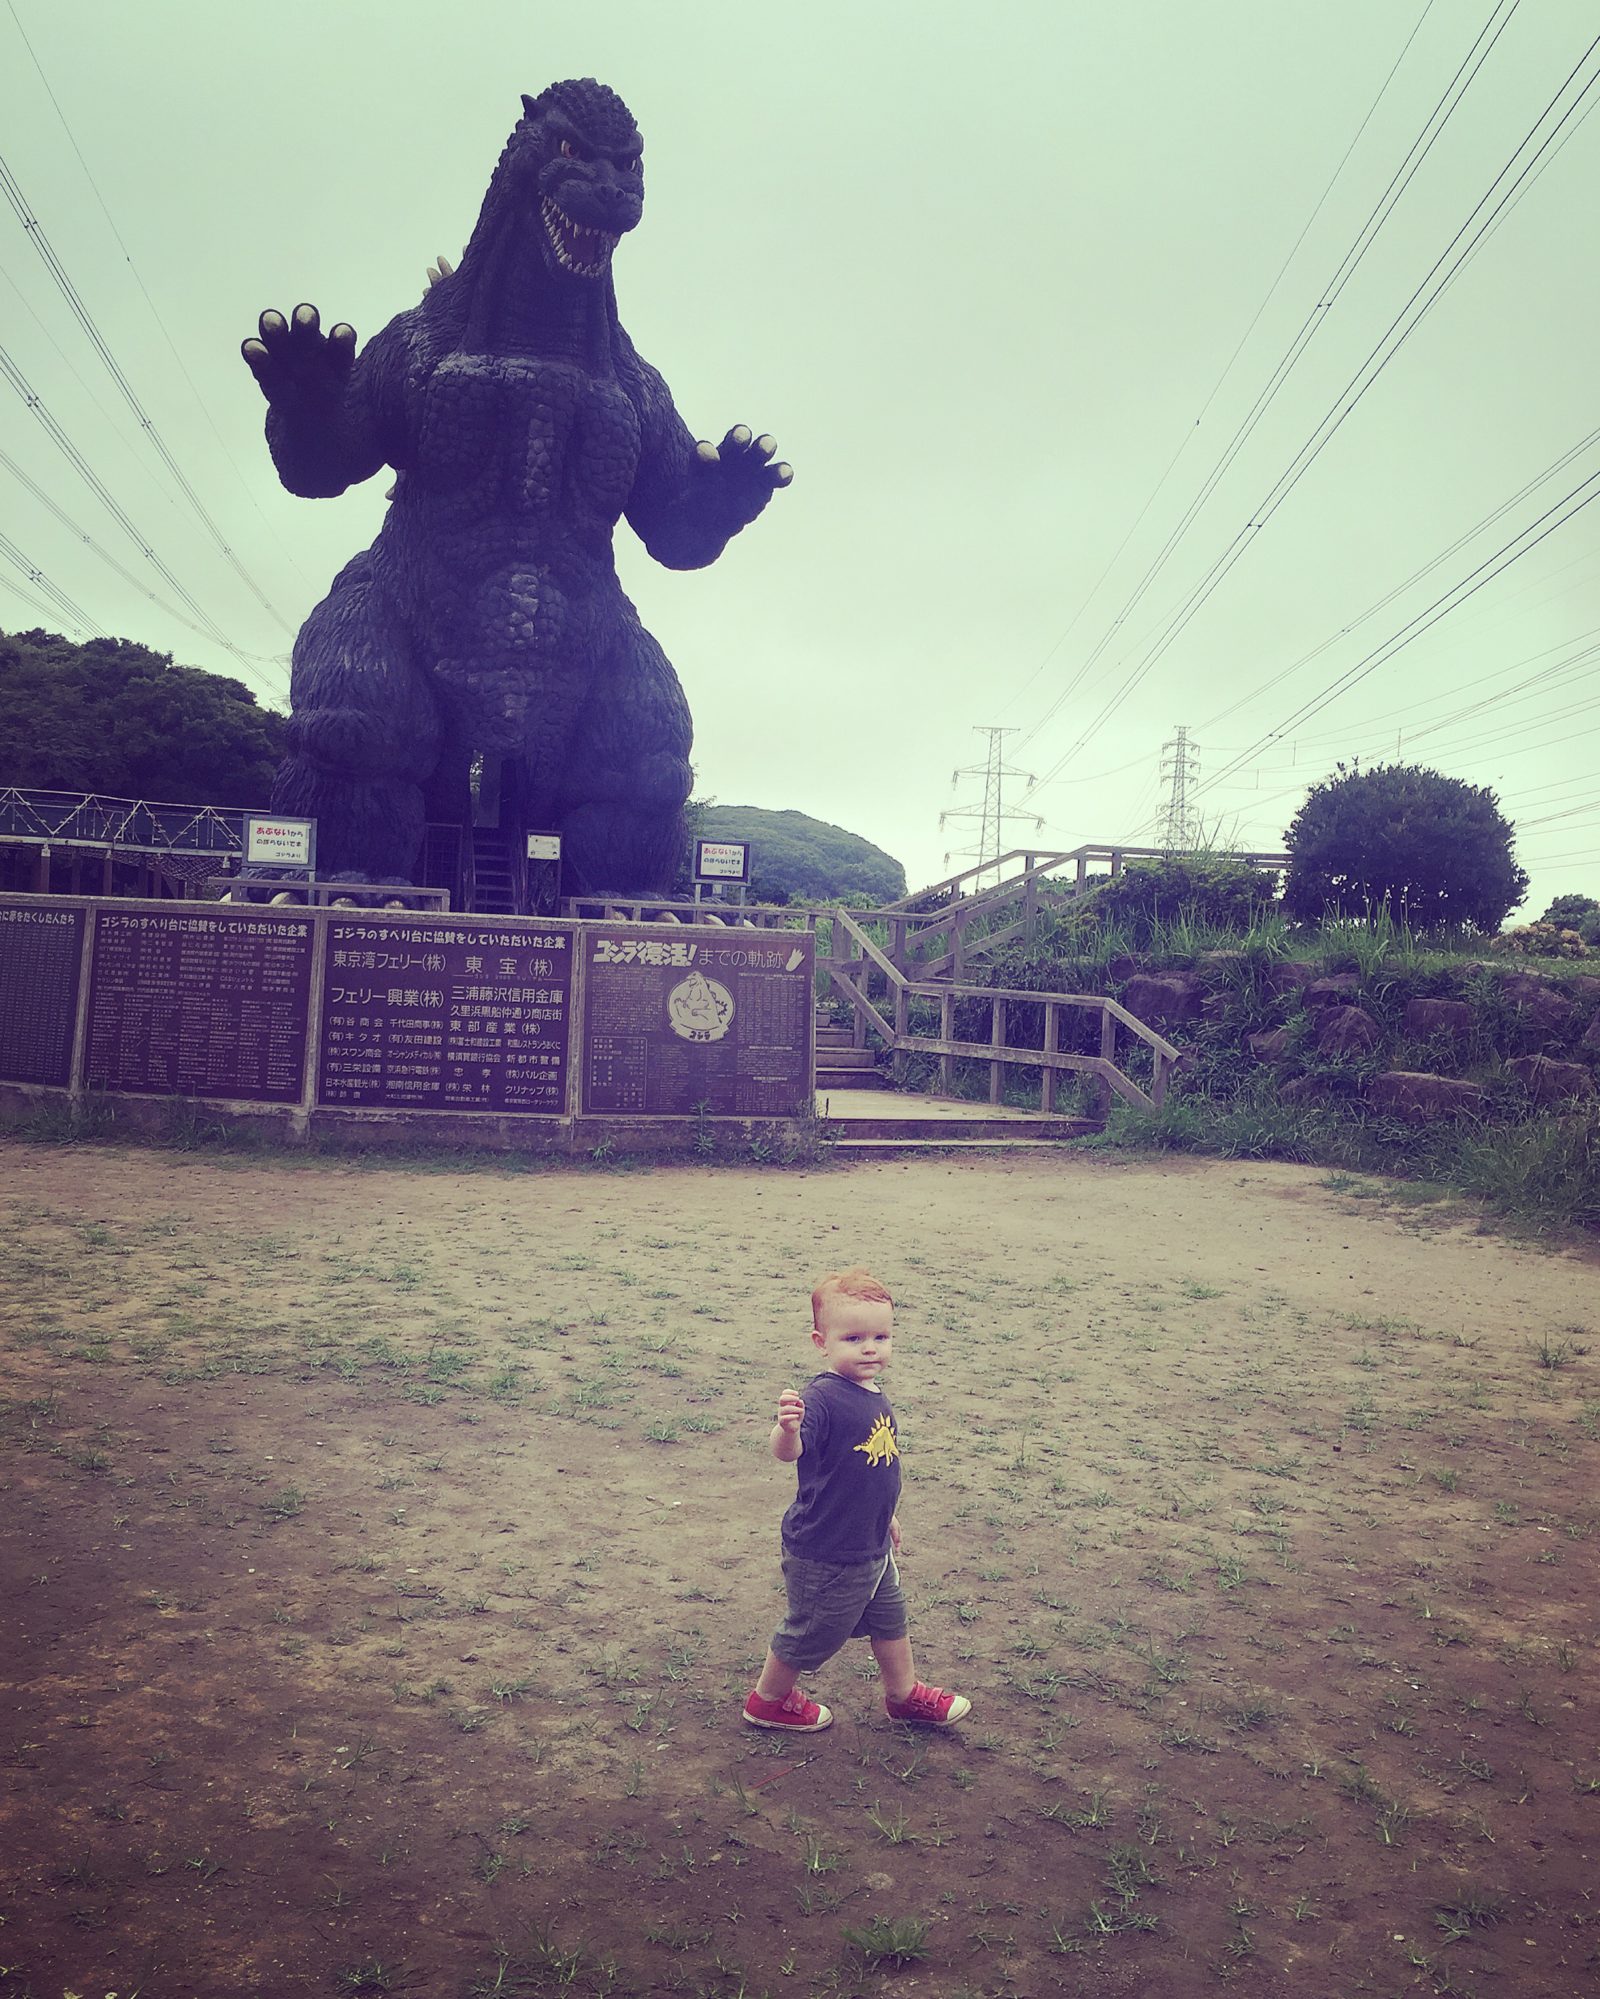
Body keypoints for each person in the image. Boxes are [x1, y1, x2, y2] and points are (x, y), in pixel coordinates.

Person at [742, 1266, 972, 1732]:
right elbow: (790, 1453)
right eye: (853, 1339)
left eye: (881, 1336)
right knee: (811, 1629)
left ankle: (904, 1695)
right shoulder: (822, 1398)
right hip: (828, 1549)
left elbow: (871, 1468)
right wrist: (785, 1429)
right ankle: (768, 1699)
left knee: (891, 1618)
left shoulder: (872, 1392)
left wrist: (886, 1516)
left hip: (870, 1540)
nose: (870, 1348)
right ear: (820, 1341)